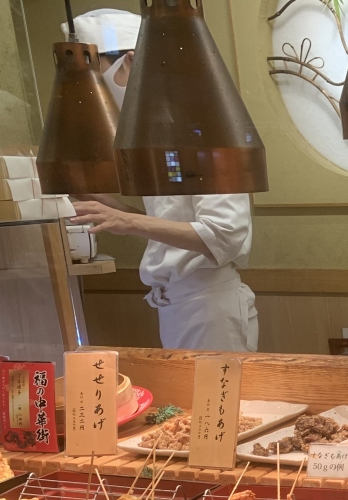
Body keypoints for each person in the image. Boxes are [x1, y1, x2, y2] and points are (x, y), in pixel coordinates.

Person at [66, 10, 260, 352]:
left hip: (208, 305)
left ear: (132, 61)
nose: (99, 91)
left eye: (100, 76)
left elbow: (224, 234)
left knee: (216, 390)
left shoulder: (202, 125)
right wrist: (116, 209)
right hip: (177, 305)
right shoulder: (155, 131)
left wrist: (127, 220)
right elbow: (177, 224)